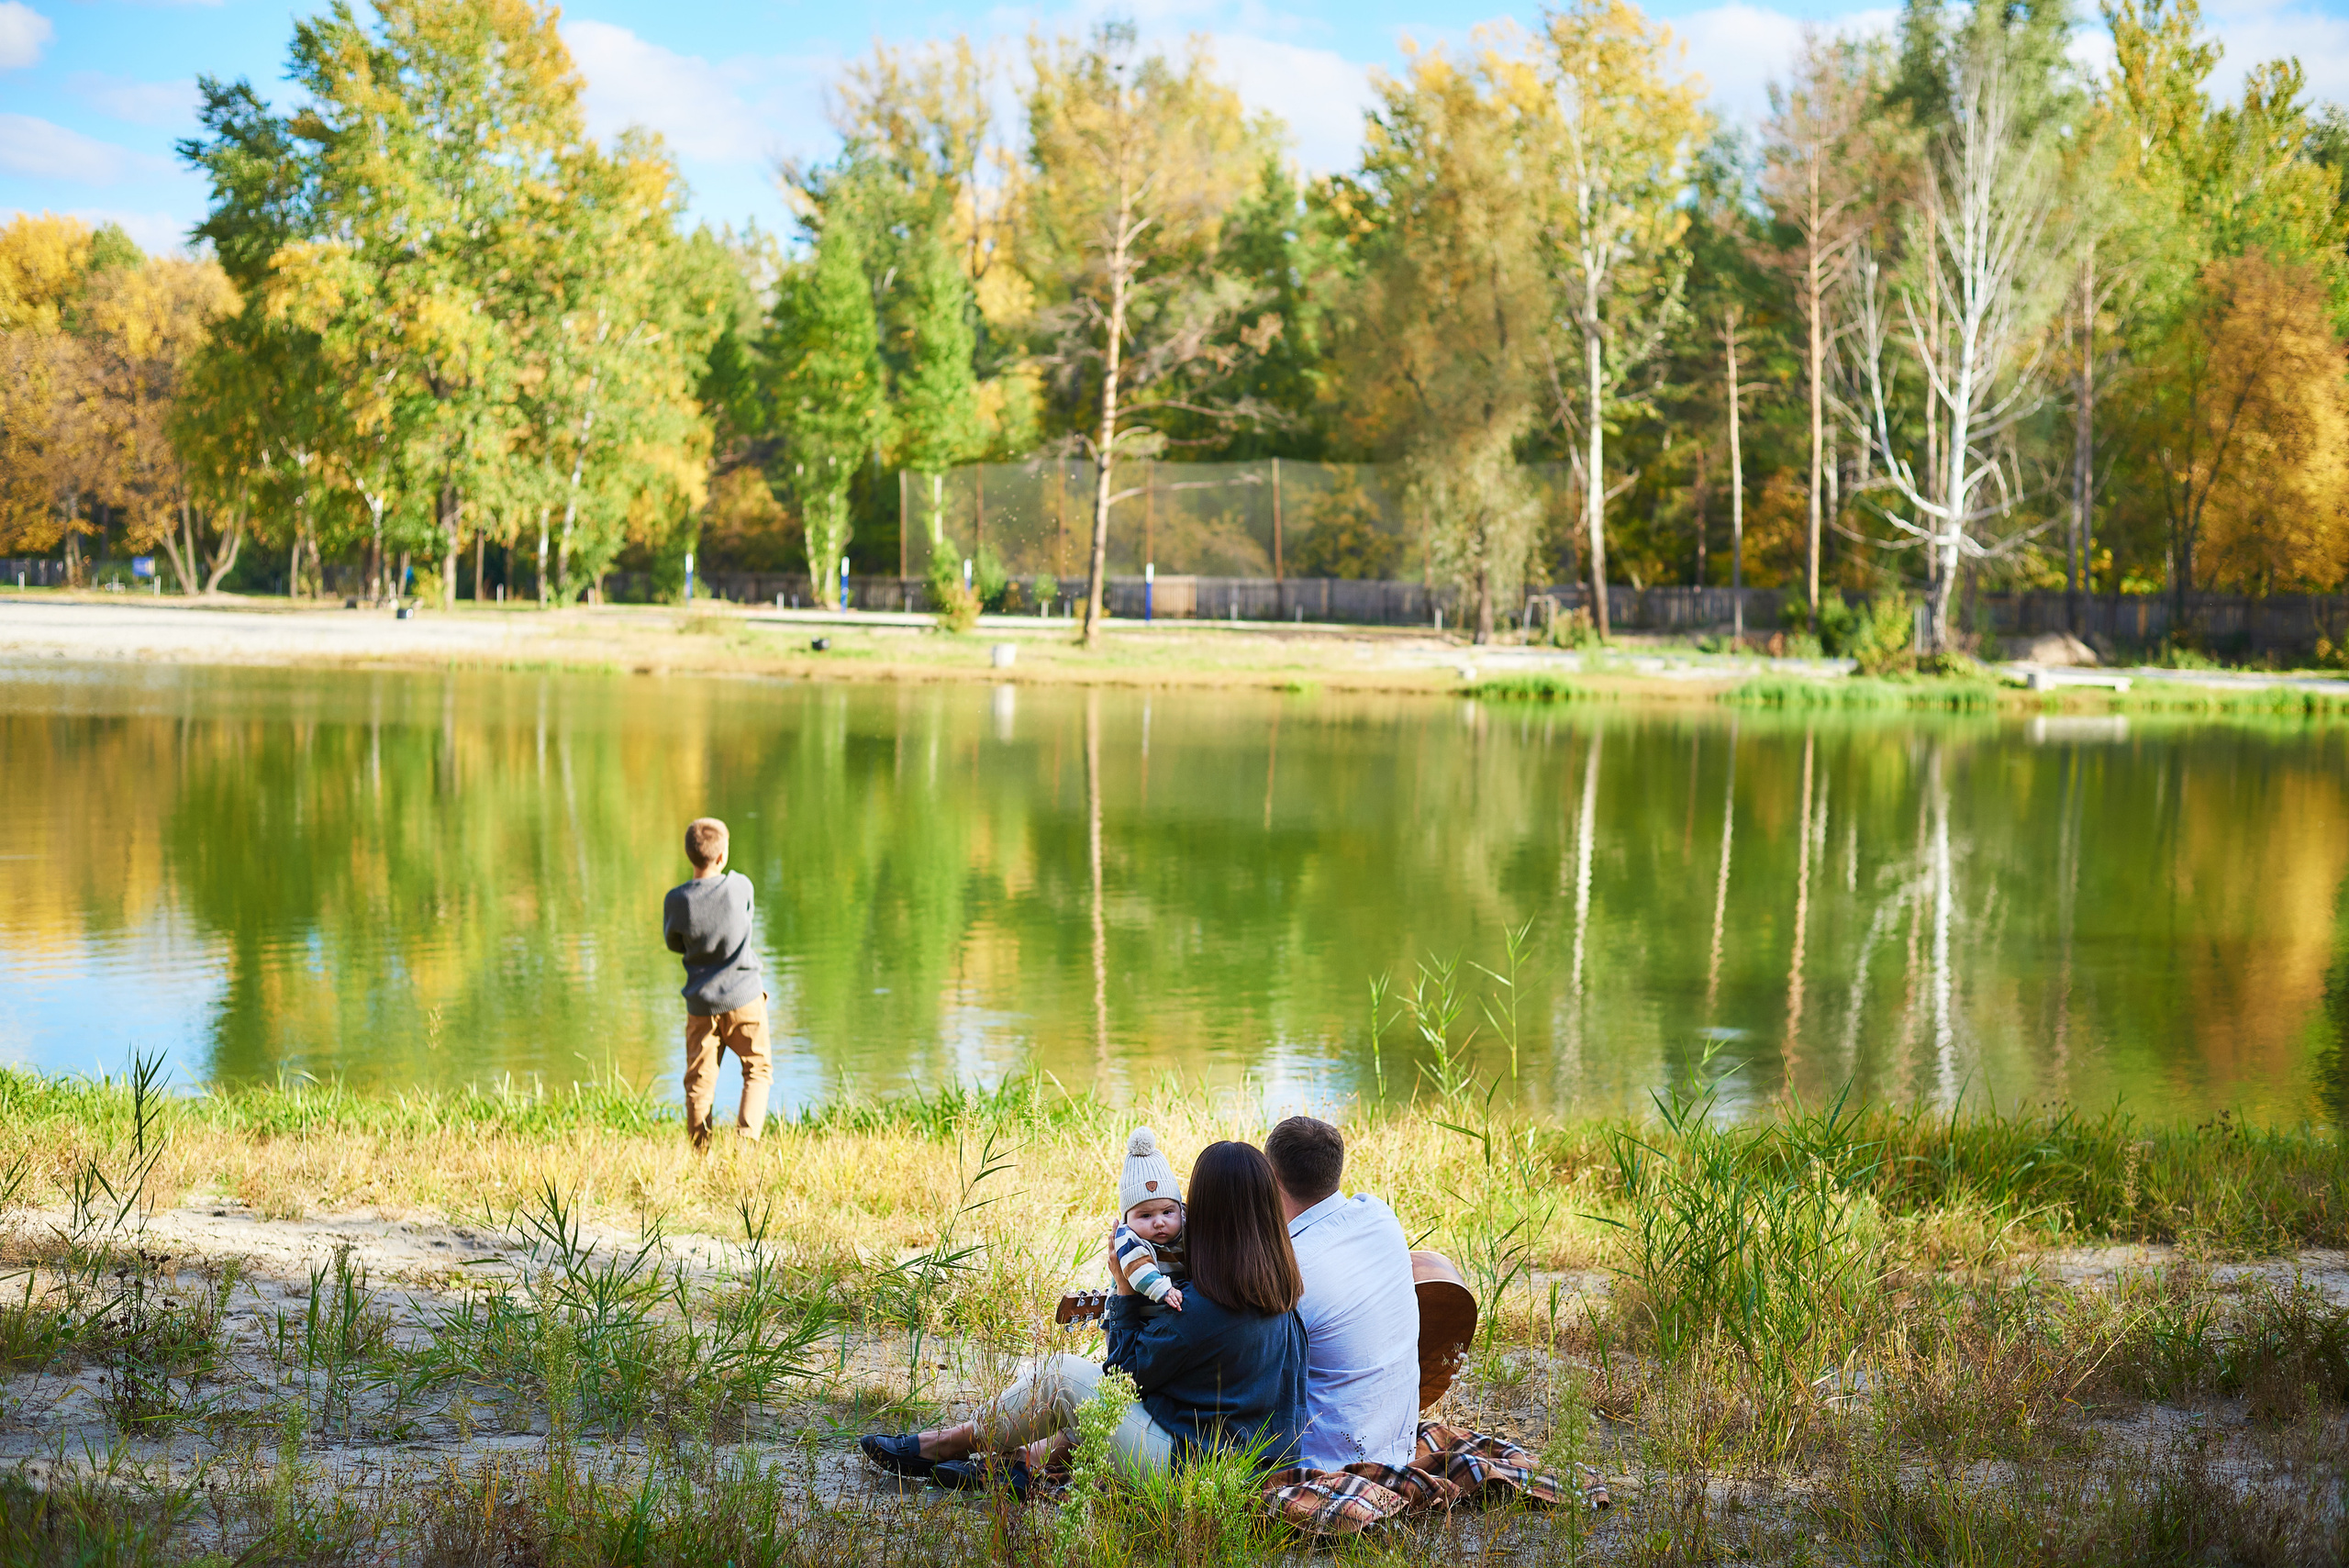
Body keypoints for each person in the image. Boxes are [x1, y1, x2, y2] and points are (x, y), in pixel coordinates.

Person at [861, 1140, 1307, 1492]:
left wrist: (1126, 1292)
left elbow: (1117, 1384)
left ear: (1206, 1213)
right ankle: (1014, 1469)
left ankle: (942, 1445)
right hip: (1252, 1467)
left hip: (1189, 1472)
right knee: (1075, 1391)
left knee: (1063, 1376)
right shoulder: (1280, 1293)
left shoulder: (1202, 1307)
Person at [1264, 1115, 1419, 1472]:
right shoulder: (1380, 1215)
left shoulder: (1290, 1270)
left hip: (1327, 1465)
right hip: (1399, 1448)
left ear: (1271, 1178)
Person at [662, 817, 770, 1151]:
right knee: (757, 1069)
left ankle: (701, 1151)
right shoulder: (741, 886)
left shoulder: (677, 900)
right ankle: (746, 1145)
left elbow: (673, 942)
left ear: (689, 855)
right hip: (745, 997)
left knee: (699, 1081)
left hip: (701, 1004)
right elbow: (746, 918)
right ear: (722, 857)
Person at [1110, 1128, 1186, 1314]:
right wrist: (1163, 1290)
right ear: (1127, 1218)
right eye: (1145, 1216)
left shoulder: (1186, 1225)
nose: (1159, 1222)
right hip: (1130, 1319)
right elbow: (1138, 1268)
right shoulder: (1128, 1237)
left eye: (1168, 1212)